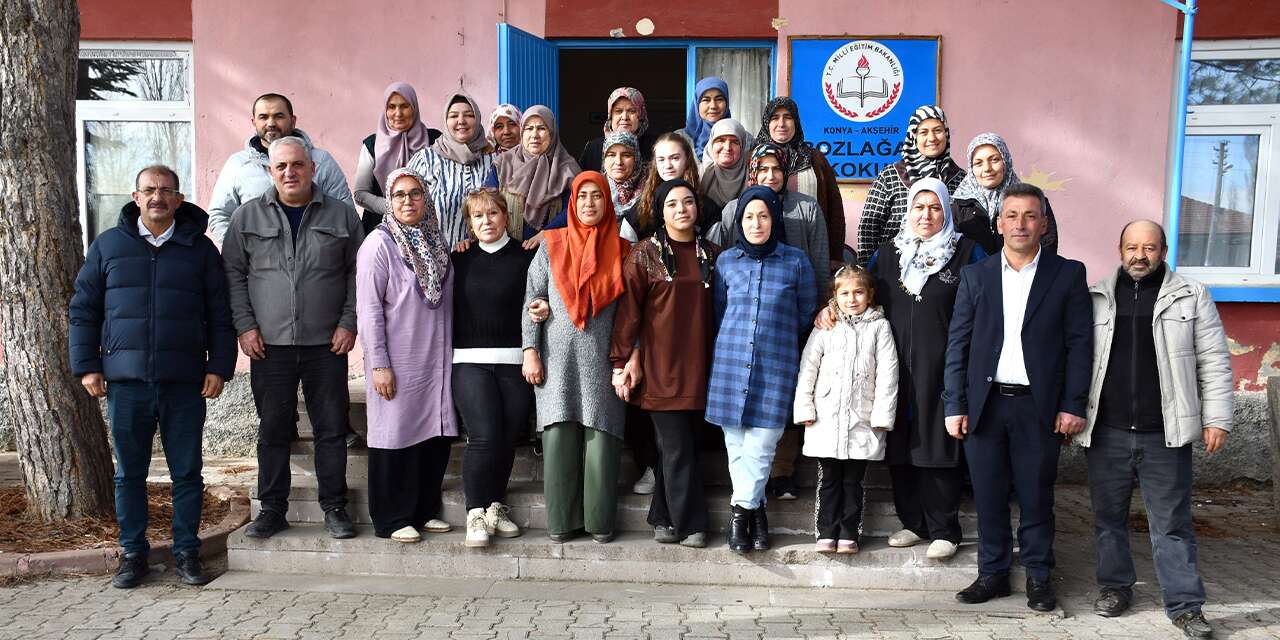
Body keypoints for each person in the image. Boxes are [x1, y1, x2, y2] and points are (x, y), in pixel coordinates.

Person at [69, 165, 236, 589]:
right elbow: (83, 310)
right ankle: (132, 555)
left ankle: (187, 552)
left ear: (179, 199)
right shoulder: (108, 247)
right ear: (135, 196)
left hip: (184, 382)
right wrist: (87, 366)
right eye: (149, 190)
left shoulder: (200, 251)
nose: (157, 197)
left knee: (187, 472)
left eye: (166, 191)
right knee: (128, 474)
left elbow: (220, 315)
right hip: (125, 383)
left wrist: (219, 366)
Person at [1076, 220, 1232, 639]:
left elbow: (1213, 360)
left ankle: (1185, 606)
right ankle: (1114, 588)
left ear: (1163, 251)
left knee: (1172, 524)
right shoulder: (1096, 296)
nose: (1139, 255)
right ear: (1119, 248)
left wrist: (1217, 417)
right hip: (1106, 430)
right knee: (1108, 519)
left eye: (1148, 247)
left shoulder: (1191, 295)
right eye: (1131, 247)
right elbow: (1077, 360)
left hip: (1165, 433)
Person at [817, 178, 987, 559]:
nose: (926, 215)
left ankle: (946, 529)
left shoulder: (967, 253)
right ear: (907, 212)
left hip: (945, 367)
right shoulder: (889, 254)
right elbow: (860, 296)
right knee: (902, 446)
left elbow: (987, 306)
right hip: (892, 370)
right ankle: (914, 523)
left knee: (939, 446)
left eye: (935, 208)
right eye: (918, 207)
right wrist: (829, 310)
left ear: (946, 211)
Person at [942, 183, 1091, 612]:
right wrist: (955, 404)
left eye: (1030, 216)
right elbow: (959, 344)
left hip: (1039, 407)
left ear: (1044, 224)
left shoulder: (1067, 274)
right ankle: (993, 574)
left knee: (1036, 496)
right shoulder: (977, 275)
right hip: (985, 407)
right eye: (1012, 215)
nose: (1020, 224)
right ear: (999, 222)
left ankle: (1040, 577)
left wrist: (1072, 404)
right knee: (988, 496)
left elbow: (1080, 345)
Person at [223, 136, 364, 540]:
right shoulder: (247, 217)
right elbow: (232, 276)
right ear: (270, 171)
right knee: (272, 430)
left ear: (312, 168)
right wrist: (245, 327)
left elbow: (359, 273)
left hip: (327, 343)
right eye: (281, 166)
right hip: (269, 346)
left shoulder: (340, 216)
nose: (290, 172)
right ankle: (272, 509)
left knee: (331, 429)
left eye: (297, 165)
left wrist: (348, 322)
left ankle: (334, 507)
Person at [610, 179, 722, 549]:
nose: (681, 209)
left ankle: (662, 517)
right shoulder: (645, 254)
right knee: (677, 447)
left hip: (701, 365)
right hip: (661, 367)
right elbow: (629, 313)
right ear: (660, 210)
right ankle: (691, 523)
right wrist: (624, 360)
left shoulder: (713, 254)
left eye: (688, 202)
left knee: (684, 445)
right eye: (672, 204)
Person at [706, 186, 818, 554]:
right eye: (749, 216)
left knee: (762, 446)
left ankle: (739, 514)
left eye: (764, 215)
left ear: (774, 219)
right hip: (731, 364)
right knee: (736, 447)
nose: (756, 223)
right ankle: (757, 515)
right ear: (740, 221)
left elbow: (805, 314)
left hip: (777, 364)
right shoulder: (726, 262)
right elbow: (719, 312)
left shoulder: (796, 261)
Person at [522, 171, 630, 544]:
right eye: (582, 196)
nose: (588, 203)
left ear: (607, 202)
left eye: (596, 196)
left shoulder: (624, 250)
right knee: (558, 440)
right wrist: (530, 351)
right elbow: (532, 300)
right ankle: (562, 523)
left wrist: (627, 362)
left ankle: (600, 523)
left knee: (602, 442)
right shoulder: (550, 245)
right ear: (572, 202)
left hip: (604, 362)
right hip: (556, 360)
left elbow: (631, 315)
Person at [356, 168, 458, 542]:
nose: (407, 201)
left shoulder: (436, 241)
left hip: (435, 358)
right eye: (399, 195)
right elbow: (368, 311)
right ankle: (391, 517)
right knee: (394, 435)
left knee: (431, 433)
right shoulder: (379, 245)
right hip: (397, 359)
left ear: (426, 198)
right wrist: (379, 363)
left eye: (415, 193)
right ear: (389, 201)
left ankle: (423, 508)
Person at [451, 189, 535, 548]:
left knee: (507, 437)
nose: (486, 221)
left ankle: (496, 506)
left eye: (493, 214)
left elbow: (538, 296)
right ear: (470, 223)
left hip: (514, 361)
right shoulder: (459, 260)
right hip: (469, 361)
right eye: (478, 216)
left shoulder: (525, 257)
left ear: (506, 217)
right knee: (483, 435)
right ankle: (475, 512)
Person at [794, 265, 897, 555]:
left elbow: (888, 374)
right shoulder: (826, 326)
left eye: (858, 292)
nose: (852, 299)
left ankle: (849, 531)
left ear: (870, 294)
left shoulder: (880, 327)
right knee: (828, 480)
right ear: (834, 296)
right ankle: (826, 531)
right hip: (826, 417)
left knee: (853, 481)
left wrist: (882, 416)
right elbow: (808, 368)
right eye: (845, 293)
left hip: (861, 417)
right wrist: (804, 407)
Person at [207, 93, 352, 243]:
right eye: (263, 117)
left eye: (279, 116)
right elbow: (219, 215)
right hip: (258, 264)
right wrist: (240, 254)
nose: (271, 123)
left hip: (314, 263)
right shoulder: (237, 165)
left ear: (293, 121)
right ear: (253, 122)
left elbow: (345, 213)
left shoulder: (321, 161)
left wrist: (325, 252)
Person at [709, 143, 829, 300]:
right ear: (753, 172)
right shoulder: (732, 210)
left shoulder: (807, 208)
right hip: (745, 305)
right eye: (763, 169)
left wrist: (821, 305)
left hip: (797, 301)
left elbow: (820, 265)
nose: (771, 176)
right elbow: (727, 265)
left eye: (777, 169)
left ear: (786, 171)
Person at [856, 105, 964, 265]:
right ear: (913, 136)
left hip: (946, 271)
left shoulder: (960, 179)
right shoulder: (891, 175)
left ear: (946, 134)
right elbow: (869, 228)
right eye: (923, 132)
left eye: (938, 130)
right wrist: (867, 272)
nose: (932, 138)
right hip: (892, 269)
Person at [755, 97, 845, 265]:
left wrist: (835, 256)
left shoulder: (815, 158)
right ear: (767, 122)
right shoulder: (755, 158)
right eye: (775, 117)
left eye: (788, 117)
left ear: (796, 121)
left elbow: (835, 209)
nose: (781, 123)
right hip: (764, 250)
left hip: (811, 247)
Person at [353, 82, 442, 235]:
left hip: (426, 229)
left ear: (414, 108)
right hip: (381, 229)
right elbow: (360, 194)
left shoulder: (434, 140)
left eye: (404, 106)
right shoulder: (372, 145)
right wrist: (395, 207)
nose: (398, 113)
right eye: (392, 107)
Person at [407, 93, 495, 246]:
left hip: (481, 260)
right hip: (434, 259)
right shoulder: (426, 160)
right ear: (445, 121)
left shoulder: (493, 161)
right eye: (454, 116)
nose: (461, 121)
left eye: (468, 115)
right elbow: (402, 206)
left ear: (478, 119)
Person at [952, 132, 1059, 255]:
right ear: (971, 169)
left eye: (994, 160)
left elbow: (1047, 246)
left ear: (1006, 162)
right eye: (978, 163)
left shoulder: (1032, 201)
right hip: (975, 274)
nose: (987, 168)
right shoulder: (958, 206)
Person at [488, 105, 581, 245]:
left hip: (550, 250)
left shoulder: (567, 168)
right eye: (529, 128)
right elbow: (486, 203)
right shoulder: (503, 163)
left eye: (542, 128)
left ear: (552, 132)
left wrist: (545, 234)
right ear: (522, 133)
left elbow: (575, 207)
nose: (534, 135)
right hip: (506, 251)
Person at [634, 133, 705, 241]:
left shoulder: (706, 207)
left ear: (687, 159)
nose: (668, 166)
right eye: (661, 159)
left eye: (675, 158)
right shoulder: (642, 207)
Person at [579, 87, 657, 173]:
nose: (624, 117)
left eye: (632, 111)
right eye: (618, 111)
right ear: (610, 116)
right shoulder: (594, 148)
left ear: (641, 115)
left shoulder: (656, 146)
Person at [699, 118, 751, 217]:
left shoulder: (754, 176)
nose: (727, 148)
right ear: (711, 144)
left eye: (735, 142)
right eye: (721, 141)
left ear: (742, 146)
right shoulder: (698, 175)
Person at [602, 131, 647, 242]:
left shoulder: (650, 190)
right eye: (611, 155)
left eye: (626, 155)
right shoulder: (595, 189)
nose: (618, 162)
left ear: (636, 158)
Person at [677, 77, 731, 158]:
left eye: (719, 99)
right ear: (697, 104)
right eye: (706, 100)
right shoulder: (679, 139)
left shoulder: (742, 139)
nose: (713, 106)